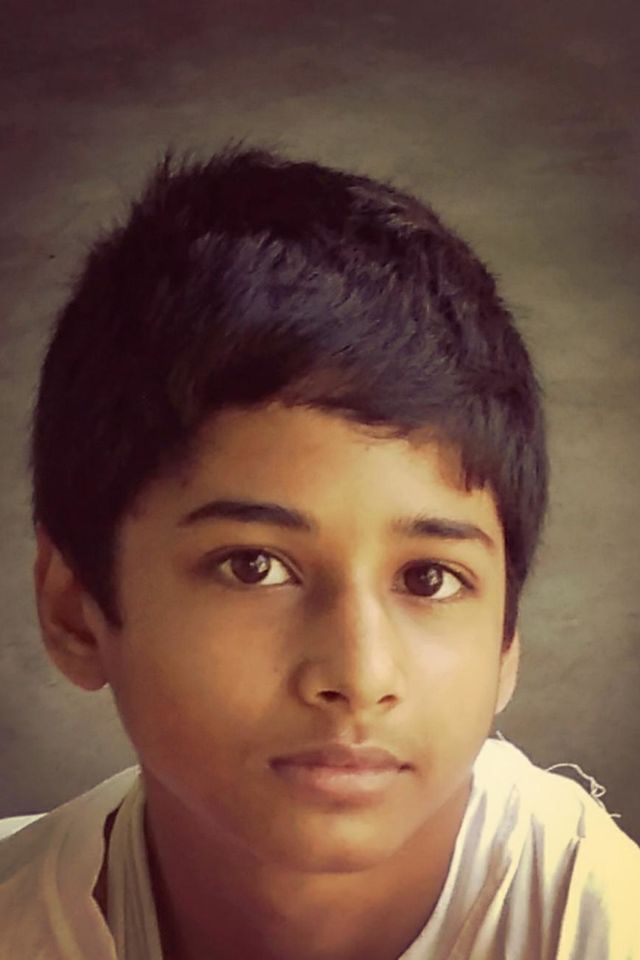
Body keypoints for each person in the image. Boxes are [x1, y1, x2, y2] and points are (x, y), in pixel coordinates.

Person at [1, 139, 638, 960]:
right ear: (74, 609)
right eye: (254, 566)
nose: (359, 675)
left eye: (430, 578)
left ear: (507, 641)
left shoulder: (598, 926)